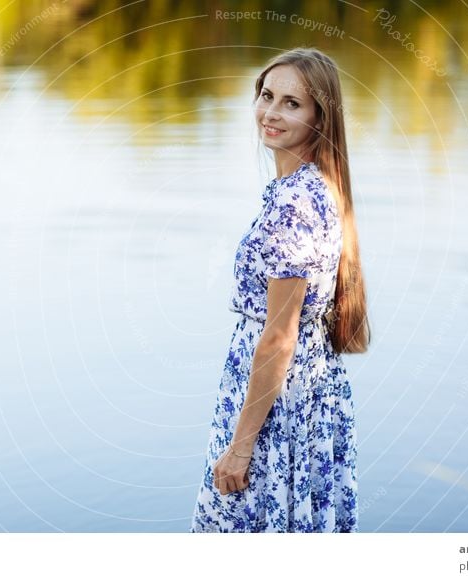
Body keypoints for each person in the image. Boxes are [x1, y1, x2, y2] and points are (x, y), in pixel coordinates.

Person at [189, 47, 371, 533]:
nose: (271, 112)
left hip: (279, 401)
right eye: (267, 96)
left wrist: (242, 444)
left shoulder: (295, 205)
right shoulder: (317, 185)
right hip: (308, 393)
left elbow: (278, 337)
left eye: (292, 103)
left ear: (320, 117)